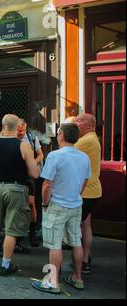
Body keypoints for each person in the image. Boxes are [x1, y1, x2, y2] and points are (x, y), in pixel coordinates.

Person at [32, 123, 91, 293]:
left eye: (58, 133)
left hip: (57, 205)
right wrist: (76, 194)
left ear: (62, 136)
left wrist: (44, 203)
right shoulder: (84, 157)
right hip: (76, 204)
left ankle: (52, 281)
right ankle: (77, 278)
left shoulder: (55, 156)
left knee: (55, 244)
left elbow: (47, 184)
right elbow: (85, 180)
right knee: (75, 241)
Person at [0, 114, 39, 276]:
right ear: (17, 126)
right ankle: (6, 265)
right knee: (11, 229)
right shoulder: (23, 146)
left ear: (3, 125)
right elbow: (34, 173)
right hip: (15, 188)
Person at [75, 113, 102, 274]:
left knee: (76, 227)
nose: (76, 123)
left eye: (79, 121)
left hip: (86, 192)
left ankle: (82, 261)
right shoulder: (91, 138)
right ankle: (85, 258)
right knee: (85, 224)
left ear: (90, 125)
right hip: (92, 190)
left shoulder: (86, 141)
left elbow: (66, 149)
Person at [17, 119, 44, 248]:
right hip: (16, 174)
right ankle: (17, 234)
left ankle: (32, 233)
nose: (22, 133)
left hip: (29, 176)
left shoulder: (32, 137)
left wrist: (32, 162)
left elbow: (41, 154)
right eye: (19, 130)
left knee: (32, 204)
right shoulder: (11, 139)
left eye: (23, 130)